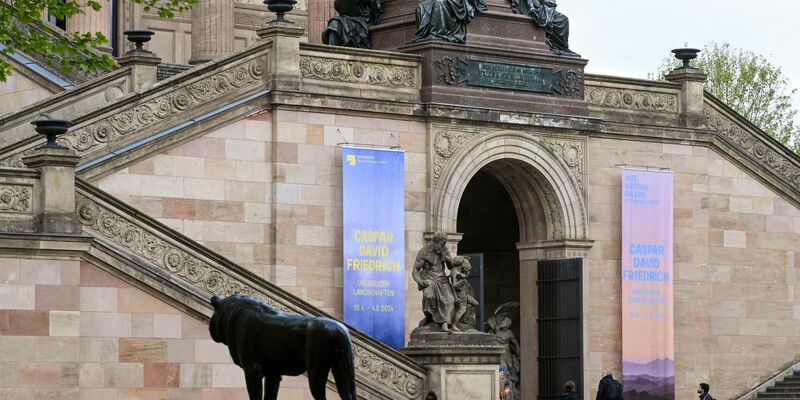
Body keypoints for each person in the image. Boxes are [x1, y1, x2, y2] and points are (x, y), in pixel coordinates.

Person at [412, 232, 457, 332]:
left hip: (442, 278)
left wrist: (448, 259)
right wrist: (420, 281)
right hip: (430, 277)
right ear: (436, 241)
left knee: (450, 300)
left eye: (445, 243)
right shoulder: (425, 251)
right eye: (443, 243)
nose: (444, 245)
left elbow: (451, 266)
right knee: (429, 296)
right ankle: (429, 316)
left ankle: (445, 324)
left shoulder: (444, 250)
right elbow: (415, 270)